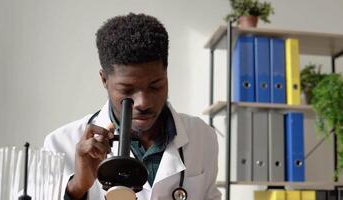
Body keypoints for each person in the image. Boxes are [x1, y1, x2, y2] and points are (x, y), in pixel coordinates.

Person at [43, 13, 221, 200]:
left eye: (155, 86)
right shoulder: (60, 144)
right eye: (127, 90)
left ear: (166, 74)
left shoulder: (202, 136)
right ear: (104, 79)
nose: (143, 102)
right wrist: (77, 187)